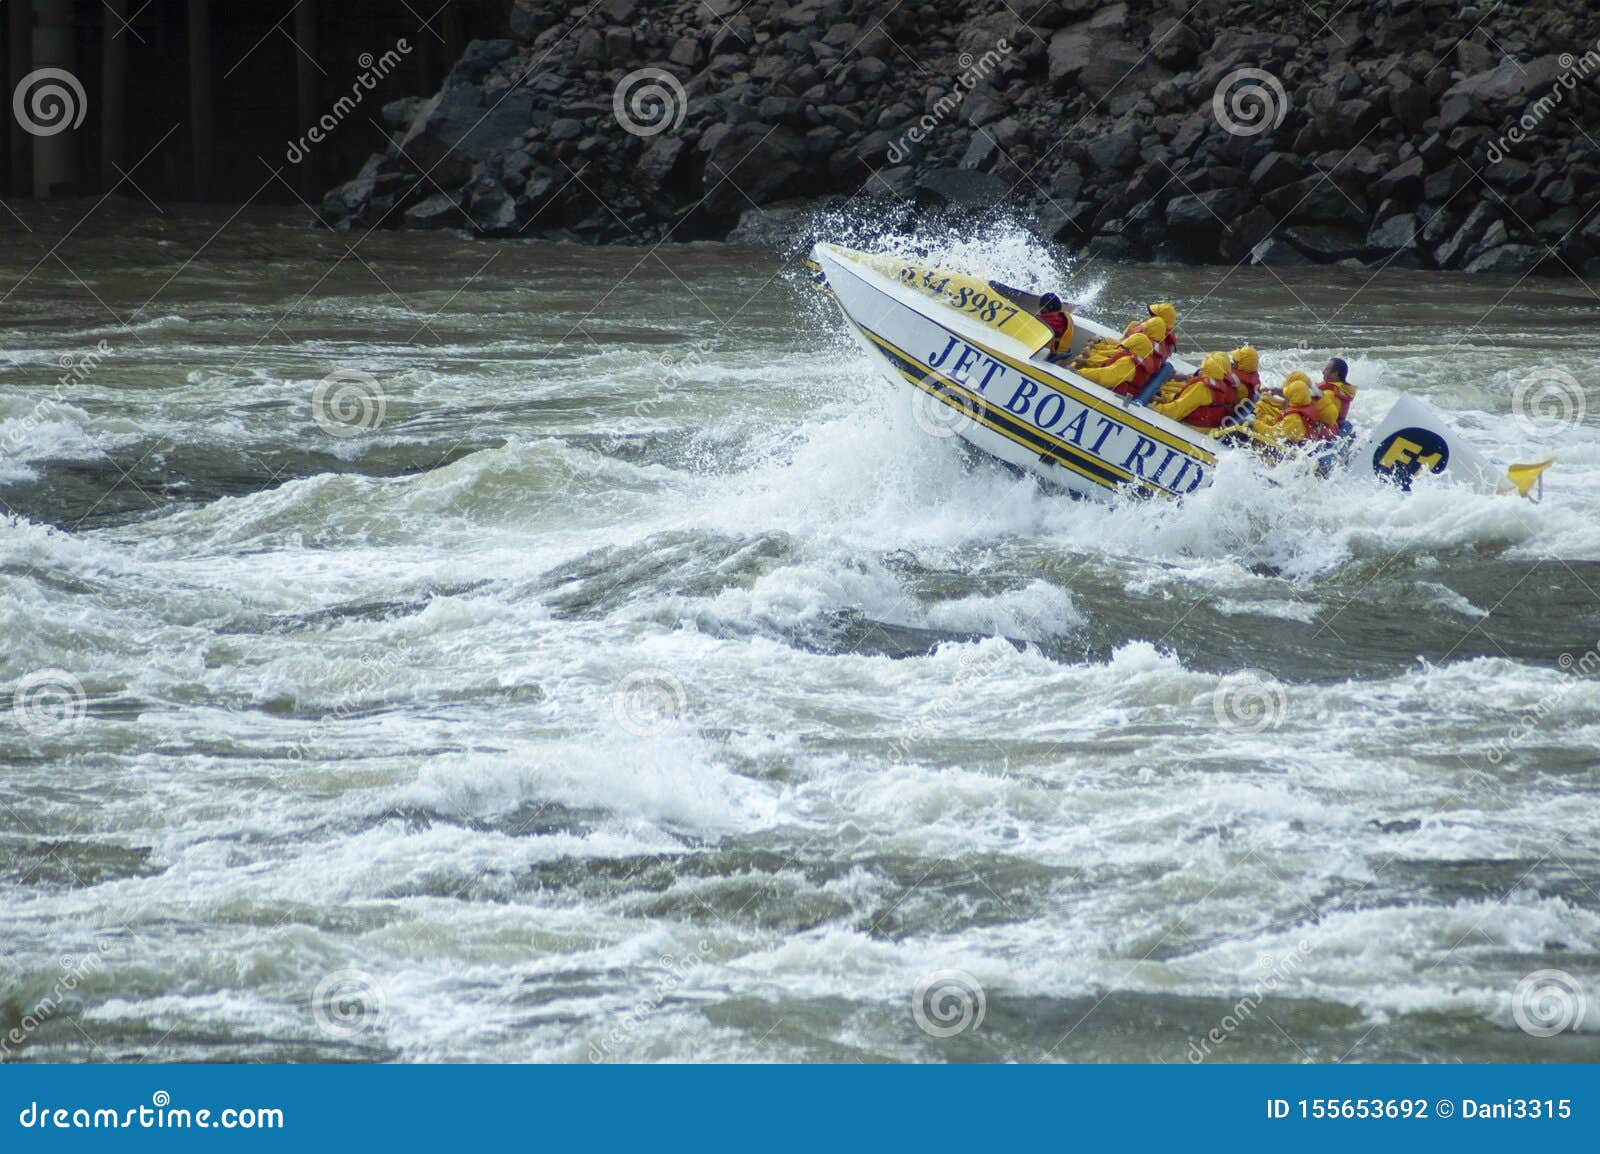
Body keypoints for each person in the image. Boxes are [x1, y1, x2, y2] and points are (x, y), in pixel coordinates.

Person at [1152, 352, 1239, 428]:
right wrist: (1163, 398)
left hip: (1193, 428)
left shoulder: (1202, 387)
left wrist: (1155, 408)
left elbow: (1178, 410)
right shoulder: (1224, 385)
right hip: (1208, 427)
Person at [1251, 373, 1336, 446]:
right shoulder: (1306, 402)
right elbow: (1279, 422)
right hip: (1296, 436)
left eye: (1288, 395)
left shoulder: (1294, 418)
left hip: (1291, 446)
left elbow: (1274, 434)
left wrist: (1254, 423)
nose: (1286, 397)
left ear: (1292, 397)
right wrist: (1263, 419)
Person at [1131, 302, 1180, 404]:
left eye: (1153, 315)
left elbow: (1124, 345)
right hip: (1145, 375)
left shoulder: (1146, 336)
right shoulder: (1166, 341)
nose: (1149, 316)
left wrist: (1137, 326)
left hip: (1133, 375)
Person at [1078, 332, 1154, 395]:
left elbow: (1105, 377)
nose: (1125, 349)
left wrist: (1080, 372)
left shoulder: (1129, 363)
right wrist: (1089, 359)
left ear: (1134, 347)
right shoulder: (1142, 359)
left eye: (1128, 347)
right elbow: (1110, 364)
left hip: (1112, 395)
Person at [1318, 357, 1357, 435]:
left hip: (1328, 433)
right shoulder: (1345, 390)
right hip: (1340, 426)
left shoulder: (1330, 394)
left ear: (1335, 373)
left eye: (1326, 369)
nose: (1323, 372)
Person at [1036, 292, 1075, 362]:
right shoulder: (1060, 318)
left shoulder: (1050, 321)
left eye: (1042, 306)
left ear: (1050, 307)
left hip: (1045, 355)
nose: (1040, 308)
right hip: (1053, 354)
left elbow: (1035, 323)